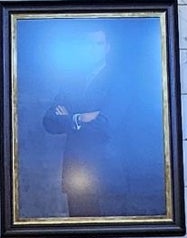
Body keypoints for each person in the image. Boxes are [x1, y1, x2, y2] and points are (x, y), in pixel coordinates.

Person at [42, 29, 129, 218]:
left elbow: (106, 125)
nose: (92, 49)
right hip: (76, 177)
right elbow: (49, 120)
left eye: (98, 44)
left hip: (107, 177)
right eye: (88, 45)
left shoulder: (120, 80)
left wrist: (68, 117)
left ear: (107, 48)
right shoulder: (71, 82)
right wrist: (79, 118)